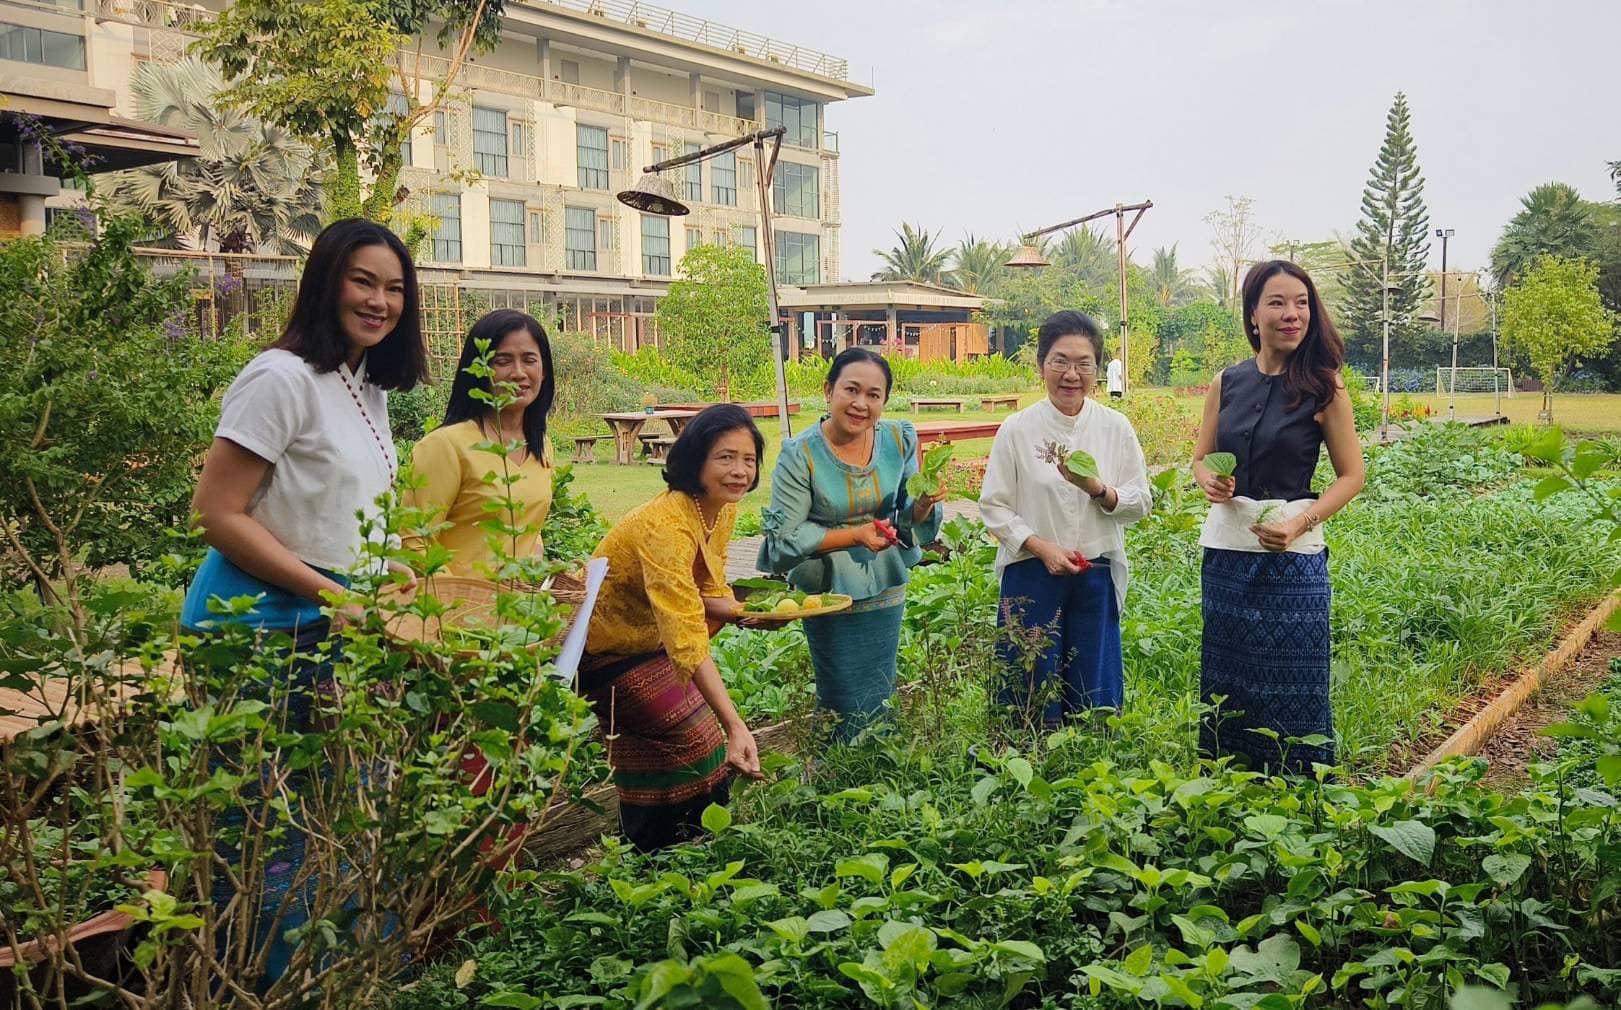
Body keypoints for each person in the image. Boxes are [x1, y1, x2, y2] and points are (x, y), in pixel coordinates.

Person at [178, 217, 428, 988]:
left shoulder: (362, 385)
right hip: (254, 624)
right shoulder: (279, 377)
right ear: (325, 281)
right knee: (256, 827)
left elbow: (333, 509)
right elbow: (218, 513)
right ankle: (261, 985)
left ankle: (333, 973)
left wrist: (392, 577)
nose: (379, 301)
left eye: (393, 288)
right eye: (363, 281)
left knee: (334, 809)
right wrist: (334, 594)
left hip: (327, 619)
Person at [1191, 260, 1366, 774]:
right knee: (1228, 675)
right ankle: (1228, 780)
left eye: (1302, 303)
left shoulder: (1324, 386)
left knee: (1294, 676)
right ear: (1251, 315)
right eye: (1277, 303)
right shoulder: (1227, 382)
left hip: (1293, 557)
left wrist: (1299, 524)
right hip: (1227, 552)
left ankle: (1300, 785)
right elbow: (1200, 457)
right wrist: (1206, 478)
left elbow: (1351, 475)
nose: (1292, 314)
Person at [579, 404, 766, 851]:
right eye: (725, 457)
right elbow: (685, 630)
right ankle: (665, 853)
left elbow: (709, 590)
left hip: (650, 642)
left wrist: (750, 613)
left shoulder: (717, 509)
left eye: (749, 459)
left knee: (663, 748)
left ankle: (677, 852)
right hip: (605, 650)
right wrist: (736, 725)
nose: (739, 471)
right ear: (696, 459)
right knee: (698, 736)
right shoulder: (666, 524)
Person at [758, 348, 944, 741]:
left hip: (885, 579)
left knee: (880, 679)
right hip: (827, 584)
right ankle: (839, 767)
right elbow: (786, 537)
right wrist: (854, 536)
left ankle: (878, 761)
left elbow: (905, 518)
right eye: (851, 390)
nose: (861, 404)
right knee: (839, 687)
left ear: (884, 401)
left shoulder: (899, 438)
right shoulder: (800, 454)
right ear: (828, 390)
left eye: (874, 395)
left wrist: (924, 504)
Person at [979, 311, 1152, 729]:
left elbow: (1140, 500)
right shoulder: (1018, 429)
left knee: (1092, 692)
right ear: (1041, 366)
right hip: (1032, 574)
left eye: (1083, 363)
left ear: (1097, 368)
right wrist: (1042, 548)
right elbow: (994, 506)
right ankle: (1026, 763)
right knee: (1028, 690)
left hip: (1095, 572)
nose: (1071, 374)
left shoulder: (1115, 427)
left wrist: (1098, 488)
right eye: (1060, 361)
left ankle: (1090, 767)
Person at [403, 309, 555, 576]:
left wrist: (537, 567)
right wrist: (457, 603)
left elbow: (530, 528)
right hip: (458, 611)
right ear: (479, 370)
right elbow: (413, 541)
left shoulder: (541, 445)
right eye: (503, 361)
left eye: (529, 360)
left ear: (544, 371)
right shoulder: (445, 446)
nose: (519, 373)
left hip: (519, 611)